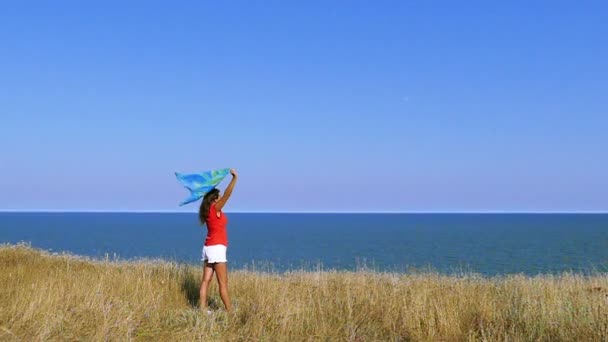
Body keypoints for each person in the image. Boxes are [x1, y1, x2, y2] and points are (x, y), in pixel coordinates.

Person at [198, 168, 237, 312]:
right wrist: (234, 179)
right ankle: (230, 312)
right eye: (219, 196)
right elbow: (228, 194)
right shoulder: (215, 208)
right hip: (217, 249)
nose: (221, 198)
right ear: (215, 198)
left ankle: (202, 310)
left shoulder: (206, 210)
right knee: (223, 283)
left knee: (205, 281)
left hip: (208, 247)